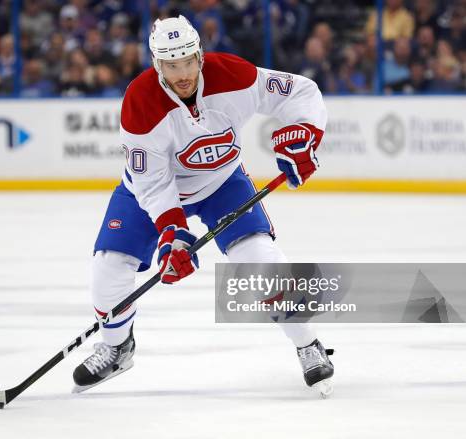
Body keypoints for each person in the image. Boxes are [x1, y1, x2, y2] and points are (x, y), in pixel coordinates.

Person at [72, 16, 334, 396]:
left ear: (200, 56)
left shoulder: (233, 76)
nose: (182, 74)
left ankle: (308, 344)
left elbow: (301, 92)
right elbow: (152, 181)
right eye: (171, 65)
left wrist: (303, 135)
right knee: (107, 268)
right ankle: (117, 347)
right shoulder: (140, 101)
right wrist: (172, 234)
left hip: (223, 183)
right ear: (156, 64)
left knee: (261, 261)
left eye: (187, 62)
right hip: (152, 193)